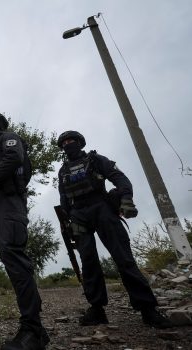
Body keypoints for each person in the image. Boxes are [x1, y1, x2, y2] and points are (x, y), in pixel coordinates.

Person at [57, 130, 173, 328]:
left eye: (72, 140)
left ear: (80, 143)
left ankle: (148, 309)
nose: (68, 144)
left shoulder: (95, 160)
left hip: (102, 208)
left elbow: (119, 178)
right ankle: (97, 309)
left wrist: (126, 198)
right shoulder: (63, 171)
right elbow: (64, 197)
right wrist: (67, 222)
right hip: (78, 215)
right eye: (65, 142)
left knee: (124, 258)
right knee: (88, 262)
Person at [0, 112, 49, 350]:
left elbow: (14, 158)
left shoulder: (9, 138)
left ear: (2, 125)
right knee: (10, 260)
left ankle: (33, 330)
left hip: (10, 205)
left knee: (16, 260)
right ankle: (34, 329)